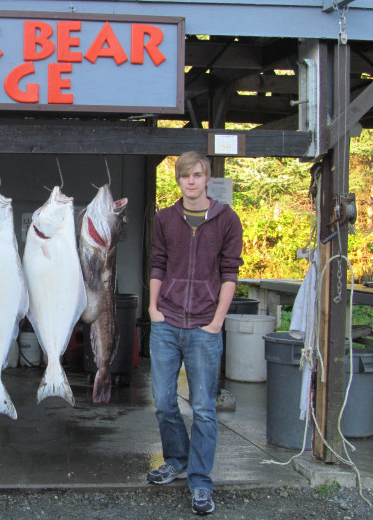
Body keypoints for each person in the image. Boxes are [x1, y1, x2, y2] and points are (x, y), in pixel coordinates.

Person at [146, 151, 243, 515]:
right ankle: (176, 458)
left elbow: (230, 273)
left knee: (203, 408)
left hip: (205, 325)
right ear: (179, 180)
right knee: (163, 401)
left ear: (206, 179)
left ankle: (200, 482)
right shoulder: (165, 219)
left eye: (197, 175)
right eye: (185, 176)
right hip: (167, 322)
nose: (191, 181)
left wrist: (218, 320)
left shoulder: (227, 219)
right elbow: (158, 264)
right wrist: (154, 310)